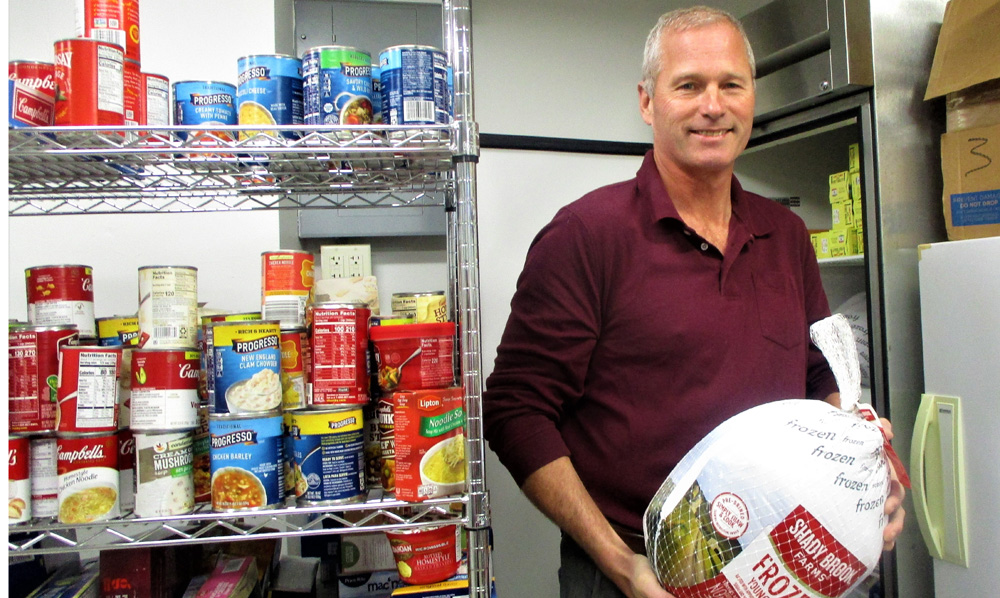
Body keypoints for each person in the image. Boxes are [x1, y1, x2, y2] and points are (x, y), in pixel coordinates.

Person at [481, 6, 906, 598]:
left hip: (773, 563)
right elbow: (514, 411)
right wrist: (620, 566)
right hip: (634, 569)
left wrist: (861, 468)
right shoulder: (586, 235)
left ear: (751, 98)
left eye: (731, 84)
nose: (714, 105)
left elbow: (817, 375)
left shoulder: (784, 233)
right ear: (647, 102)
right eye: (689, 85)